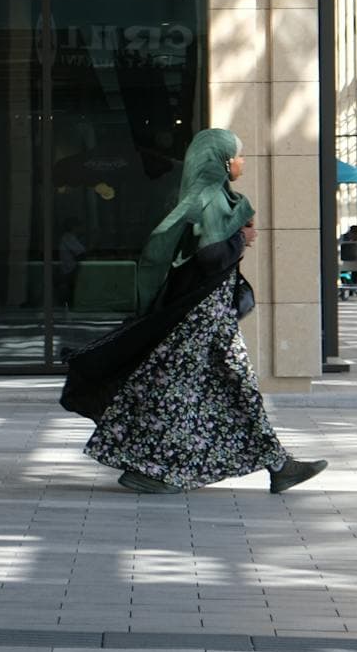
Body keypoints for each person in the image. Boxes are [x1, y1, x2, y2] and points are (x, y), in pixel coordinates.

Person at [70, 128, 328, 495]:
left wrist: (237, 230)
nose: (242, 162)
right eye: (237, 156)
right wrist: (240, 240)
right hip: (202, 319)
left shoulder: (216, 197)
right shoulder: (209, 199)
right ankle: (158, 469)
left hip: (208, 316)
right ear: (222, 161)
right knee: (203, 390)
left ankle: (276, 465)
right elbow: (209, 257)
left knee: (203, 391)